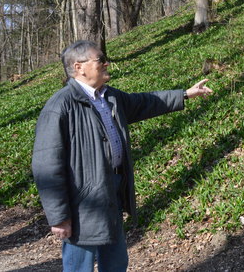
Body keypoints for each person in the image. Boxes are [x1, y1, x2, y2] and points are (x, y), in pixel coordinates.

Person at [31, 40, 212, 271]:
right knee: (79, 266)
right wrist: (58, 216)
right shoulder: (61, 106)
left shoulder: (110, 97)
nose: (106, 63)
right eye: (100, 60)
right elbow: (46, 165)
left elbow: (146, 102)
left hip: (113, 190)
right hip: (81, 203)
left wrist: (185, 94)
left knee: (116, 262)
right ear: (79, 67)